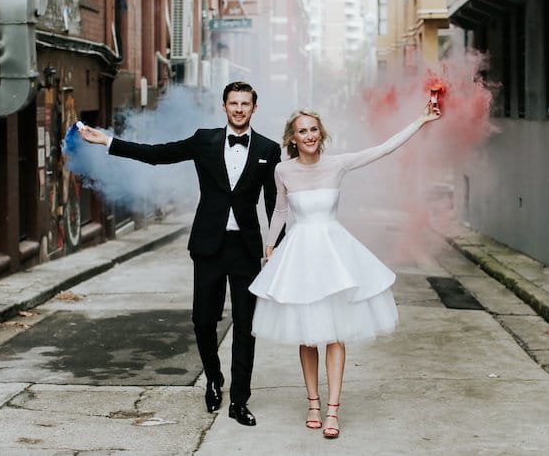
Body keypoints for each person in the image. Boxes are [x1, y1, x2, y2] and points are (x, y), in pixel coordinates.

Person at [78, 81, 281, 427]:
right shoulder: (204, 140)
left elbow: (275, 202)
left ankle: (239, 402)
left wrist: (278, 244)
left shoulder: (268, 149)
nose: (239, 109)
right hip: (208, 246)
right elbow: (159, 155)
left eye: (245, 103)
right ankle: (214, 378)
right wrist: (109, 142)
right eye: (233, 103)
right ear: (224, 106)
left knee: (246, 327)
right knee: (203, 321)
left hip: (246, 249)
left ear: (254, 108)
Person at [249, 100, 441, 438]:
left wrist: (422, 119)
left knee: (334, 335)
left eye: (313, 129)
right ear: (292, 138)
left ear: (320, 133)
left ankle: (333, 411)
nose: (308, 135)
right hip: (300, 255)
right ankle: (313, 403)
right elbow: (279, 210)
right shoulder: (284, 170)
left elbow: (384, 149)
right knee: (306, 335)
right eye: (301, 131)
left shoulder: (338, 164)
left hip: (334, 254)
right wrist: (269, 245)